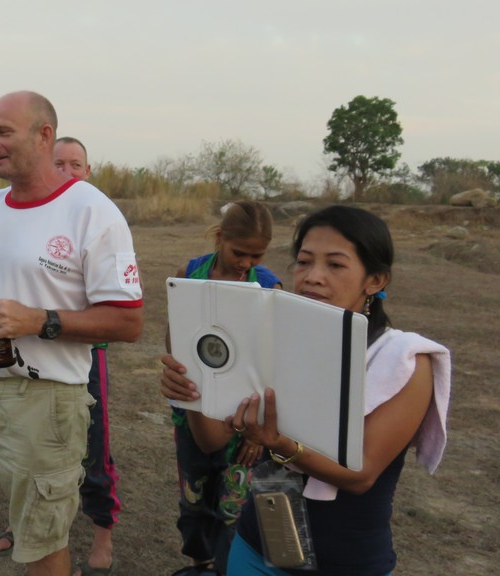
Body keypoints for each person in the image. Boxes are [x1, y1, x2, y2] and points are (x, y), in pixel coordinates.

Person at [161, 205, 451, 575]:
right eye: (303, 261)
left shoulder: (402, 361)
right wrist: (194, 389)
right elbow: (211, 441)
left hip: (346, 562)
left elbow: (361, 476)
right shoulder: (273, 341)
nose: (312, 277)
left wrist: (279, 444)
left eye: (335, 264)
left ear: (375, 280)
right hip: (256, 547)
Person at [0, 91, 144, 576]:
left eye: (3, 132)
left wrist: (39, 320)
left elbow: (128, 321)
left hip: (46, 401)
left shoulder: (93, 211)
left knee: (41, 541)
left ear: (44, 135)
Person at [0, 136, 122, 576]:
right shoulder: (21, 212)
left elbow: (121, 313)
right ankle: (18, 525)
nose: (66, 172)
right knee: (18, 453)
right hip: (15, 370)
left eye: (75, 164)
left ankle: (102, 534)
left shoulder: (95, 214)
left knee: (94, 445)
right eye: (58, 163)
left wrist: (41, 319)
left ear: (88, 171)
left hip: (79, 358)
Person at [166, 200, 281, 576]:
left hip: (244, 422)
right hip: (193, 414)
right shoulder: (190, 274)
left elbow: (273, 365)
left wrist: (257, 435)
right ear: (219, 238)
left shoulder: (267, 286)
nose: (246, 262)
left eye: (256, 255)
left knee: (234, 507)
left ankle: (226, 569)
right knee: (194, 501)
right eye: (239, 252)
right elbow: (175, 340)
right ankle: (201, 564)